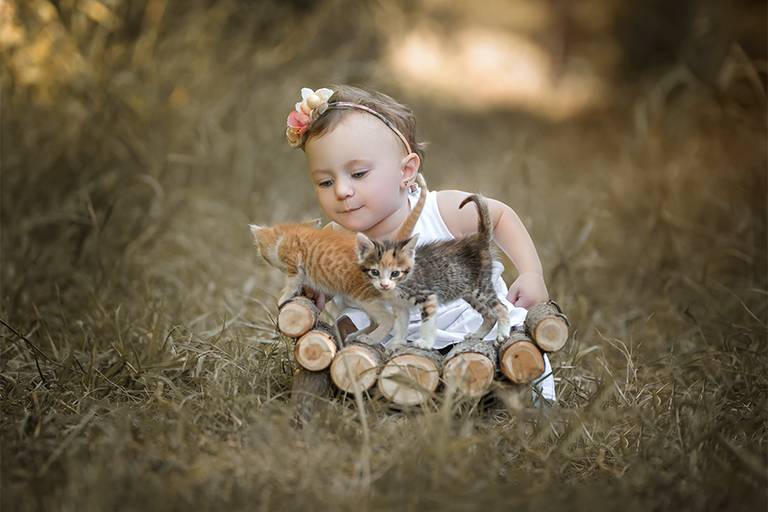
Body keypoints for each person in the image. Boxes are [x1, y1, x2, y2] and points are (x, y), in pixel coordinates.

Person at [284, 85, 556, 403]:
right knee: (348, 328)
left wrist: (531, 273)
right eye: (325, 182)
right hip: (392, 350)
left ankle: (526, 400)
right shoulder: (335, 241)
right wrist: (317, 288)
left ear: (407, 171)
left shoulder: (439, 211)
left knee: (516, 343)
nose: (342, 190)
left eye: (358, 174)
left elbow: (500, 217)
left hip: (469, 328)